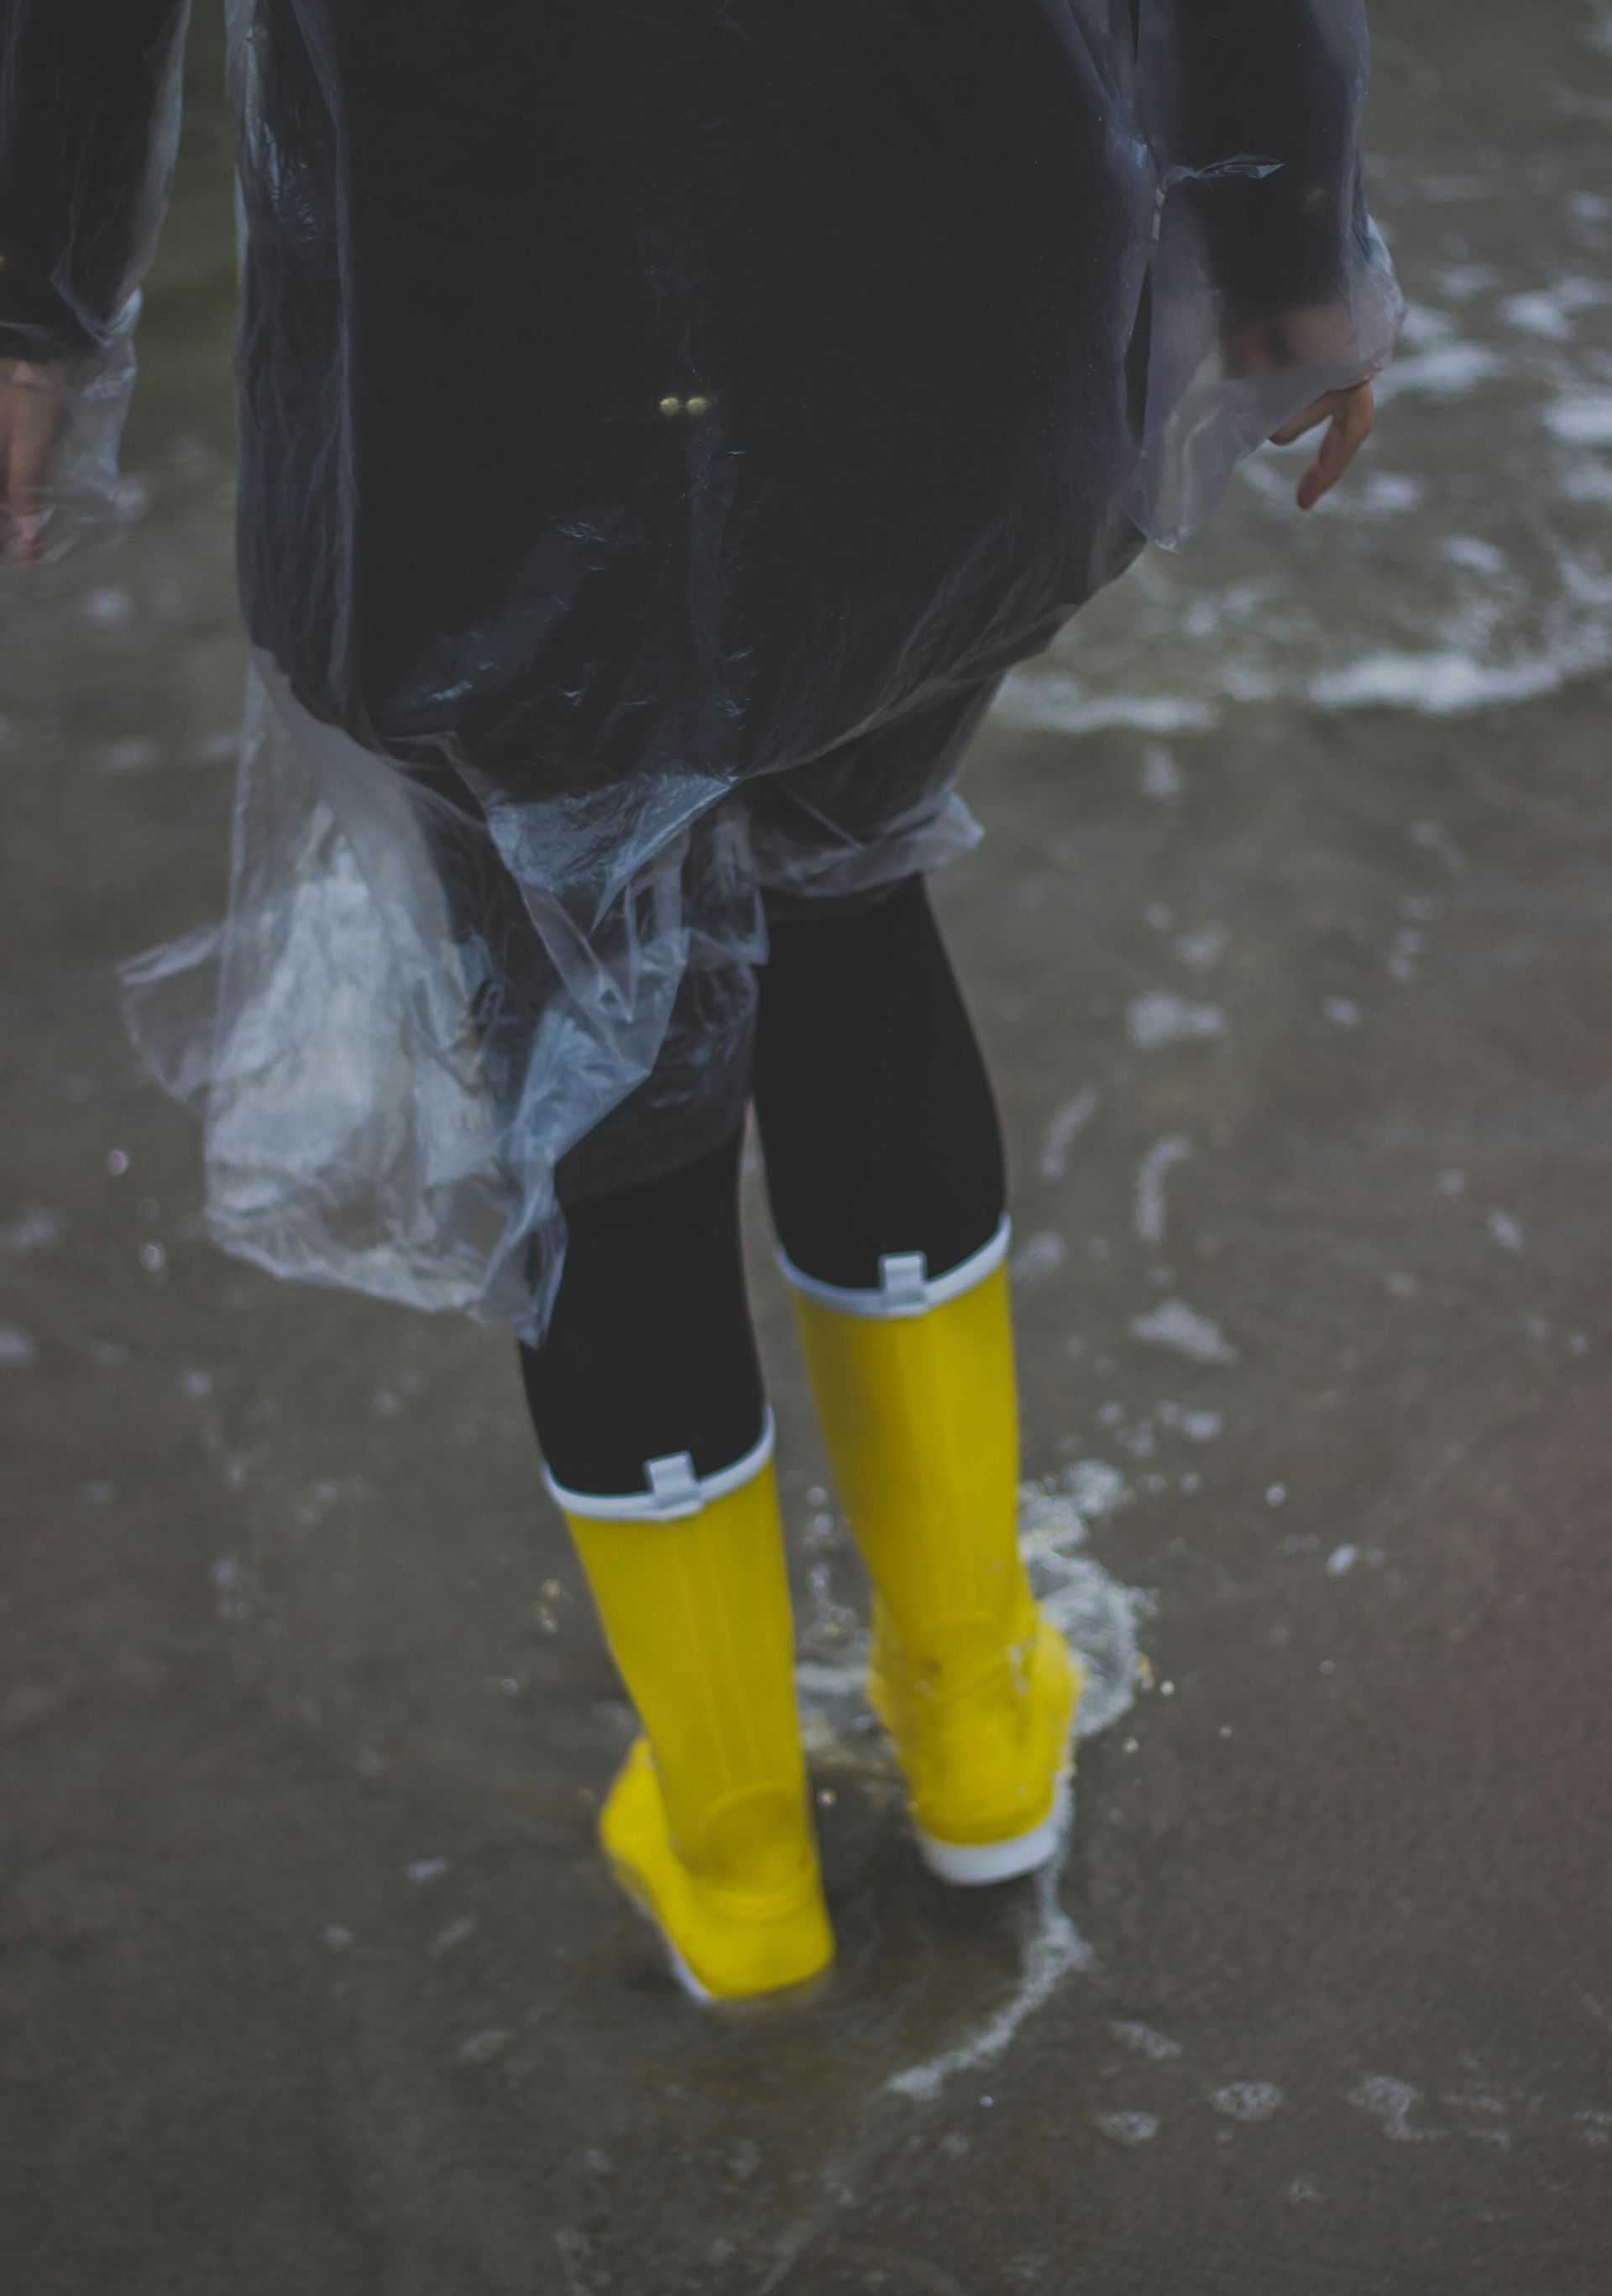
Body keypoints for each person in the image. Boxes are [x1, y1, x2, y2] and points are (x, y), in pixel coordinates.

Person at [0, 1, 1400, 2003]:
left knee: (605, 1084)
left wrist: (41, 303)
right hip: (960, 259)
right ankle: (980, 1713)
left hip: (481, 334)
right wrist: (1289, 246)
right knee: (851, 897)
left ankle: (741, 1853)